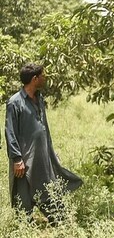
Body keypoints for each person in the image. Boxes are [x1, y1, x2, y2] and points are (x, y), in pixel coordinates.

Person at [5, 63, 83, 224]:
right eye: (43, 76)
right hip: (24, 158)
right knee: (23, 192)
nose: (45, 78)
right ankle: (24, 225)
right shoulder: (15, 102)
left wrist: (51, 153)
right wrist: (17, 159)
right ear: (35, 79)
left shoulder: (39, 98)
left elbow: (44, 129)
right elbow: (10, 133)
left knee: (47, 186)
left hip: (42, 155)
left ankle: (58, 220)